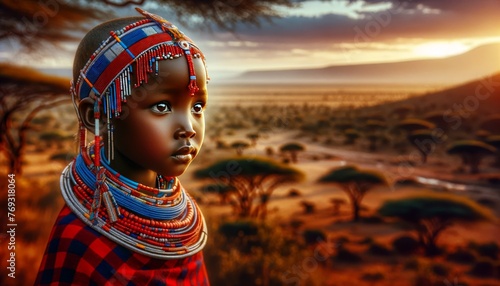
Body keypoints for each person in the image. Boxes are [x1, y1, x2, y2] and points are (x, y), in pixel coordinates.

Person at [35, 8, 210, 285]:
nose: (188, 127)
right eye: (162, 106)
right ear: (97, 115)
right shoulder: (80, 236)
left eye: (197, 106)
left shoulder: (183, 228)